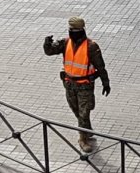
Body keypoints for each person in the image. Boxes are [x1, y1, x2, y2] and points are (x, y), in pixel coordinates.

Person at [43, 17, 111, 153]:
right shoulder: (65, 42)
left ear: (82, 30)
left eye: (76, 30)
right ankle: (87, 129)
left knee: (84, 113)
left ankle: (83, 139)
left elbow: (100, 66)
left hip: (85, 85)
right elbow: (49, 52)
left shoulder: (91, 46)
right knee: (75, 110)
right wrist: (47, 44)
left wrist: (105, 82)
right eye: (71, 30)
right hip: (69, 83)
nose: (73, 33)